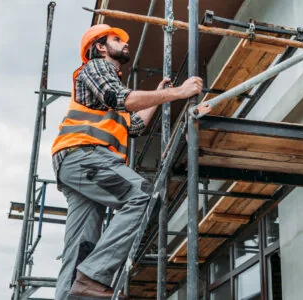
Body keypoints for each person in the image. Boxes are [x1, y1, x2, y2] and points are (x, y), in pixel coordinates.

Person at [51, 24, 203, 300]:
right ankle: (95, 277)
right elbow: (121, 98)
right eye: (116, 39)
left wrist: (158, 97)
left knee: (80, 246)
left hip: (80, 164)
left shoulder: (106, 93)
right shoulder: (97, 68)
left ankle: (79, 289)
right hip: (84, 156)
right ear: (99, 47)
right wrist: (178, 92)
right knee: (143, 197)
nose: (125, 44)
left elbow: (133, 126)